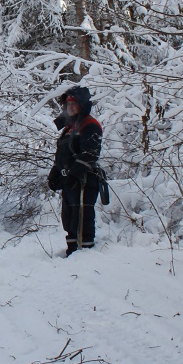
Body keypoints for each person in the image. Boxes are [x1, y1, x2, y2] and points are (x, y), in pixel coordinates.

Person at [47, 85, 103, 256]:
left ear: (83, 105)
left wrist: (75, 174)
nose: (70, 106)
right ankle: (72, 251)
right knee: (69, 218)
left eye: (74, 103)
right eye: (68, 103)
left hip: (85, 180)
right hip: (69, 180)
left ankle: (85, 253)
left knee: (82, 217)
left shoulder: (90, 125)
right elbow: (62, 154)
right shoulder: (68, 128)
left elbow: (90, 154)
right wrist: (55, 173)